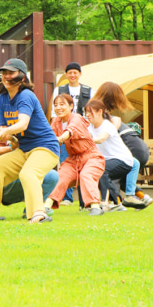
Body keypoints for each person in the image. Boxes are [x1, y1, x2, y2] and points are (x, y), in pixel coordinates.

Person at [0, 59, 59, 223]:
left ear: (22, 77)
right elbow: (5, 128)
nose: (6, 76)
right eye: (4, 73)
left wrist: (7, 131)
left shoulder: (26, 95)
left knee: (28, 173)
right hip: (24, 149)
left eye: (11, 73)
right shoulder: (2, 98)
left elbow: (23, 123)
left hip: (45, 148)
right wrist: (6, 136)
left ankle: (39, 213)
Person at [93, 81, 153, 207]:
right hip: (138, 147)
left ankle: (120, 201)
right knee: (120, 174)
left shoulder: (103, 114)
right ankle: (139, 198)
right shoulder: (104, 113)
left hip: (129, 148)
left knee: (116, 174)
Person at [44, 94, 105, 216]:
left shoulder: (76, 118)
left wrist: (60, 138)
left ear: (71, 106)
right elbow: (48, 137)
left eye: (62, 104)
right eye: (55, 105)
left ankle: (95, 207)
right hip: (73, 159)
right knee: (60, 176)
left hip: (92, 157)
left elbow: (70, 131)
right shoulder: (56, 121)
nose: (58, 108)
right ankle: (45, 206)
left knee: (86, 174)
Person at [0, 124, 59, 217]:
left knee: (51, 176)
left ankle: (32, 210)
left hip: (23, 175)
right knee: (27, 173)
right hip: (2, 184)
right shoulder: (1, 127)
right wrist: (14, 147)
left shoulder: (33, 128)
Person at [85, 99, 145, 210]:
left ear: (100, 112)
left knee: (102, 170)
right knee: (92, 171)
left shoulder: (107, 125)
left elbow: (102, 138)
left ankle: (114, 202)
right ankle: (97, 203)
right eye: (86, 112)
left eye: (90, 112)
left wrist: (88, 139)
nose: (88, 115)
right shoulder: (90, 127)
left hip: (123, 160)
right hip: (108, 160)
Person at [51, 62, 96, 206]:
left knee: (86, 168)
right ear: (66, 75)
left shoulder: (89, 91)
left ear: (80, 74)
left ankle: (86, 201)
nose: (72, 75)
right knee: (66, 163)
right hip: (64, 134)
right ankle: (66, 198)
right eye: (69, 72)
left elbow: (93, 113)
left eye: (75, 72)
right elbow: (54, 114)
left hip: (83, 135)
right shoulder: (59, 90)